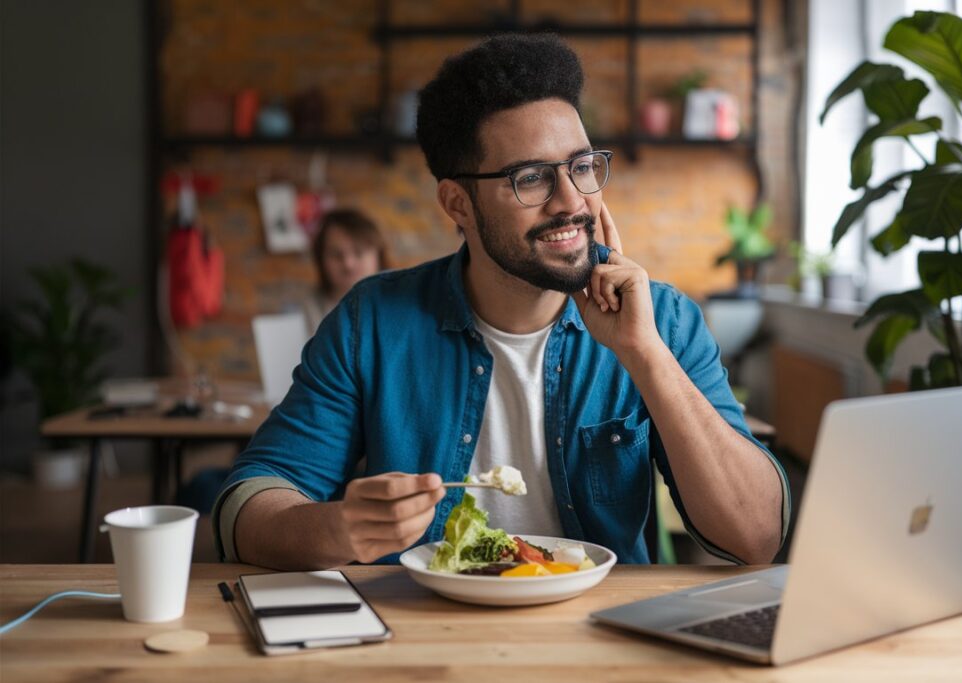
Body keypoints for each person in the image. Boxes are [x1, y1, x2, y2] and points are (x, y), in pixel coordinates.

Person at [214, 34, 789, 569]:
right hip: (419, 638)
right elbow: (247, 502)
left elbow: (756, 537)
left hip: (600, 640)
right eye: (531, 178)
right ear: (458, 204)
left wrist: (644, 353)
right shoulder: (373, 322)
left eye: (582, 167)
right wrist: (338, 529)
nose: (573, 202)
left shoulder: (661, 320)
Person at [303, 208, 392, 331]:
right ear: (321, 260)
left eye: (359, 252)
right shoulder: (303, 312)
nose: (348, 264)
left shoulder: (401, 302)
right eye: (336, 254)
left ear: (378, 254)